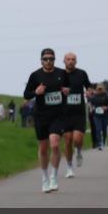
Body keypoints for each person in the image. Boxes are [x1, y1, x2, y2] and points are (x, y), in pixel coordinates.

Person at [24, 48, 71, 193]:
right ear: (41, 60)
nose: (48, 61)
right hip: (41, 116)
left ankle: (54, 177)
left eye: (51, 59)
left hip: (58, 115)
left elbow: (68, 87)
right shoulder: (35, 75)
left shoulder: (62, 73)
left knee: (55, 144)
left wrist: (67, 91)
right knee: (43, 148)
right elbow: (26, 94)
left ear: (54, 60)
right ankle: (44, 178)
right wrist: (36, 92)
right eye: (45, 59)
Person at [61, 52, 93, 176]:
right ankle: (69, 167)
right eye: (68, 59)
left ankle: (79, 151)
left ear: (76, 61)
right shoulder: (59, 74)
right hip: (64, 113)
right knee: (68, 140)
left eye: (73, 59)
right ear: (64, 61)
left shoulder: (81, 73)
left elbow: (89, 86)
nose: (70, 61)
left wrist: (89, 92)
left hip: (79, 112)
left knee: (77, 139)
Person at [89, 84, 108, 150]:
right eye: (98, 89)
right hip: (96, 115)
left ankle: (103, 141)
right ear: (96, 89)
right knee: (98, 129)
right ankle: (99, 143)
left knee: (104, 129)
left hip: (105, 115)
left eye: (101, 89)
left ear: (103, 89)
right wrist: (92, 108)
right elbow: (90, 104)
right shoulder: (94, 97)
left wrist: (106, 107)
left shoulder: (107, 96)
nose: (99, 90)